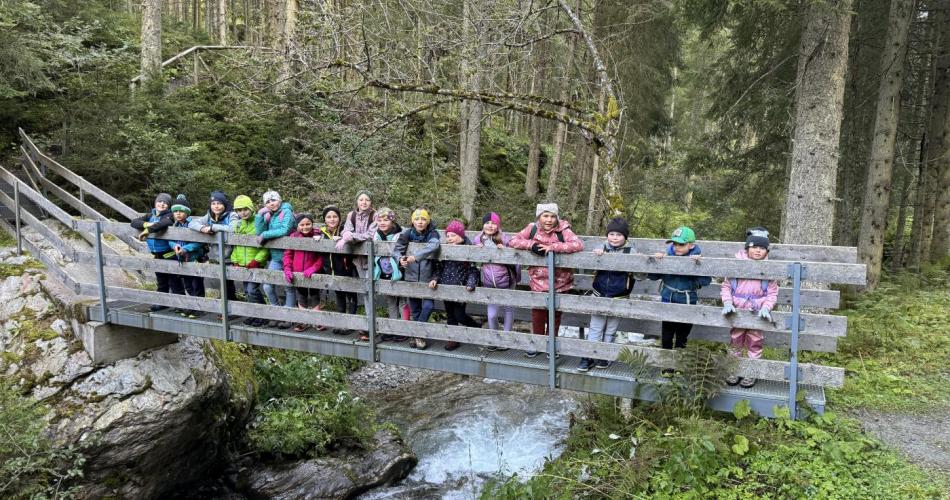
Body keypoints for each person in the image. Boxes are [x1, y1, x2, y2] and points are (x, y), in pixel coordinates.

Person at [508, 203, 584, 358]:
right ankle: (537, 343)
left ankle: (550, 345)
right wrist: (531, 245)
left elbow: (578, 244)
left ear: (557, 217)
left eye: (552, 216)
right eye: (545, 216)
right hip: (538, 280)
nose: (549, 220)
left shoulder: (564, 230)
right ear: (539, 217)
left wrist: (554, 247)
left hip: (560, 282)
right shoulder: (532, 229)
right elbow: (513, 240)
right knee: (538, 314)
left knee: (554, 315)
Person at [647, 226, 712, 376]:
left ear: (691, 245)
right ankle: (667, 366)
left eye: (681, 244)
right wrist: (657, 262)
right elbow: (652, 276)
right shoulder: (667, 256)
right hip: (668, 299)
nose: (677, 247)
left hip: (687, 301)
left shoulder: (697, 259)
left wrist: (697, 265)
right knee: (667, 335)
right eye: (674, 244)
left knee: (682, 336)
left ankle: (679, 366)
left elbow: (706, 281)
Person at [578, 217, 638, 372]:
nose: (615, 238)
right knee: (596, 327)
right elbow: (588, 263)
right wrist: (596, 255)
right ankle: (589, 356)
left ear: (625, 237)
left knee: (611, 328)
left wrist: (637, 263)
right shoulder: (602, 248)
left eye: (619, 235)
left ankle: (603, 356)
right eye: (611, 234)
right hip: (599, 294)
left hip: (619, 296)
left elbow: (641, 274)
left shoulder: (631, 251)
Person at [721, 227, 779, 389]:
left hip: (757, 313)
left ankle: (751, 372)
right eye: (754, 247)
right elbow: (726, 286)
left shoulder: (769, 270)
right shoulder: (736, 265)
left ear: (766, 251)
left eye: (762, 248)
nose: (758, 251)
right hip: (737, 312)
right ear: (747, 248)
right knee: (735, 341)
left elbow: (772, 292)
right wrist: (727, 303)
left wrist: (767, 307)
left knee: (755, 342)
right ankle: (734, 369)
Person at [392, 208, 441, 350]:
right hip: (411, 277)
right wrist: (400, 259)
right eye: (417, 219)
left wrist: (416, 256)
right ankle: (419, 337)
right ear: (412, 221)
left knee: (428, 306)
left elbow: (434, 245)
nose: (420, 222)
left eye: (424, 219)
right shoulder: (407, 233)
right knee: (415, 310)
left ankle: (416, 334)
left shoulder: (432, 233)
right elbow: (397, 250)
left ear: (428, 221)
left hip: (428, 278)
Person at [473, 212, 518, 351]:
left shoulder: (505, 239)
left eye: (493, 223)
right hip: (489, 282)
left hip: (506, 280)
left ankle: (505, 340)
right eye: (487, 223)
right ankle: (494, 339)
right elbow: (472, 251)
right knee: (491, 315)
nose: (490, 225)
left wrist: (505, 251)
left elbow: (516, 257)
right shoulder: (479, 239)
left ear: (498, 225)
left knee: (508, 309)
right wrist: (477, 248)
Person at [130, 193, 183, 310]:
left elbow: (164, 223)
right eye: (160, 201)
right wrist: (146, 223)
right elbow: (134, 222)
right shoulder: (150, 215)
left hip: (170, 254)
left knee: (175, 281)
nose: (162, 204)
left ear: (168, 206)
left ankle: (180, 305)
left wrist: (148, 230)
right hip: (157, 255)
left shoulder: (169, 215)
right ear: (155, 203)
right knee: (161, 280)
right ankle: (162, 303)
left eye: (165, 203)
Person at [434, 219, 480, 351]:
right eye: (447, 236)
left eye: (453, 236)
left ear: (461, 236)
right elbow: (439, 268)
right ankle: (453, 340)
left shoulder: (468, 249)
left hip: (460, 289)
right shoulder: (445, 250)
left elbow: (473, 270)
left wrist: (471, 283)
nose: (450, 239)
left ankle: (476, 327)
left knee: (460, 315)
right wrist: (435, 279)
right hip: (446, 288)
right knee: (450, 315)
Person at [188, 191, 239, 301]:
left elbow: (233, 229)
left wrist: (213, 228)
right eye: (213, 203)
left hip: (231, 255)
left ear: (224, 204)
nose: (216, 206)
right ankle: (227, 306)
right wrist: (202, 228)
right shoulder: (209, 216)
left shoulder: (232, 215)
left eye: (219, 203)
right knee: (224, 282)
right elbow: (191, 223)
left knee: (228, 283)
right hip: (217, 256)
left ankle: (229, 308)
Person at [315, 205, 358, 335]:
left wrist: (342, 238)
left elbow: (352, 238)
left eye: (335, 216)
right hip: (331, 270)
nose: (332, 219)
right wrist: (318, 239)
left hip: (347, 268)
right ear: (325, 219)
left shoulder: (344, 230)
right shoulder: (322, 232)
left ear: (339, 218)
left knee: (351, 295)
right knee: (339, 295)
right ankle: (341, 323)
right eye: (329, 217)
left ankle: (350, 324)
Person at [255, 190, 295, 326]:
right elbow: (258, 232)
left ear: (280, 200)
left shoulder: (286, 212)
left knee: (288, 286)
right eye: (268, 202)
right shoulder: (268, 215)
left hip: (289, 256)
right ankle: (277, 312)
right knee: (267, 286)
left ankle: (288, 317)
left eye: (273, 200)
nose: (271, 204)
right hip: (276, 257)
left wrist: (266, 235)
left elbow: (285, 230)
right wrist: (260, 215)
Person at [230, 195, 269, 327]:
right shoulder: (238, 225)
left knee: (253, 290)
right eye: (239, 210)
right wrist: (235, 260)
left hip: (255, 264)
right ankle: (253, 315)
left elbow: (266, 246)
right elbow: (235, 245)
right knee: (247, 291)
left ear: (251, 208)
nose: (243, 212)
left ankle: (263, 316)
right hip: (242, 264)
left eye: (245, 209)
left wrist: (257, 260)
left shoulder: (259, 223)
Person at [283, 213, 324, 332]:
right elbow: (288, 254)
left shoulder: (317, 236)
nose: (305, 227)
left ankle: (317, 321)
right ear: (297, 225)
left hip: (313, 273)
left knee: (315, 295)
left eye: (308, 224)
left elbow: (321, 257)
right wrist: (287, 269)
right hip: (298, 273)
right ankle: (303, 321)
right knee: (301, 295)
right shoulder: (293, 237)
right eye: (302, 224)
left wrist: (314, 268)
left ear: (312, 224)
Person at [372, 207, 407, 342]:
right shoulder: (376, 234)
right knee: (391, 301)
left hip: (400, 271)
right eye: (379, 220)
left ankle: (403, 329)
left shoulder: (401, 234)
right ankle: (393, 328)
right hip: (384, 271)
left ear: (392, 221)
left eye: (385, 220)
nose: (382, 223)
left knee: (402, 301)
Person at [168, 195, 205, 318]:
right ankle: (192, 307)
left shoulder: (192, 224)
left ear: (187, 213)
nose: (178, 214)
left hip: (194, 259)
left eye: (181, 211)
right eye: (175, 211)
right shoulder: (174, 226)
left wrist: (185, 249)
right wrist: (175, 246)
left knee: (197, 284)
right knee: (188, 284)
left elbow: (198, 242)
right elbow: (170, 239)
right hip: (182, 259)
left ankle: (200, 308)